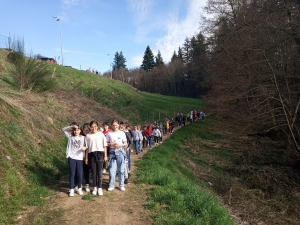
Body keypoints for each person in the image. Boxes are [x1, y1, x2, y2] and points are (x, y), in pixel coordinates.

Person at [62, 122, 87, 197]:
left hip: (79, 158)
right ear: (73, 130)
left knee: (79, 174)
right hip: (72, 158)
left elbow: (87, 145)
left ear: (80, 130)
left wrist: (84, 148)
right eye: (75, 130)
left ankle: (79, 188)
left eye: (78, 130)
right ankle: (71, 189)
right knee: (72, 174)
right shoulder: (70, 137)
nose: (76, 131)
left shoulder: (83, 138)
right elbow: (63, 130)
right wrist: (72, 126)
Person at [85, 121, 108, 196]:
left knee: (99, 172)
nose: (93, 128)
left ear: (97, 126)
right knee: (94, 172)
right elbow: (87, 148)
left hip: (100, 154)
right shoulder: (88, 136)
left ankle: (100, 188)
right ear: (90, 127)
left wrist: (105, 156)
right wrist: (86, 158)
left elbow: (104, 146)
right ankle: (95, 187)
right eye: (92, 127)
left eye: (95, 126)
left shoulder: (101, 134)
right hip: (91, 154)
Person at [106, 119, 128, 191]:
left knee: (121, 170)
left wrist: (120, 145)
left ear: (118, 125)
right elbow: (106, 143)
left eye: (116, 125)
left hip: (120, 152)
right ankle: (111, 185)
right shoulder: (109, 133)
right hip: (112, 153)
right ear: (111, 125)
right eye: (113, 125)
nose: (115, 126)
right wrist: (111, 144)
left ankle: (121, 185)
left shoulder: (122, 133)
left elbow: (125, 143)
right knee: (112, 170)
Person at [82, 123, 91, 192]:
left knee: (89, 171)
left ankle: (87, 183)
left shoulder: (91, 137)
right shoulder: (80, 137)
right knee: (84, 171)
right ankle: (80, 184)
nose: (86, 131)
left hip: (90, 156)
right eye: (84, 130)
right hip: (81, 157)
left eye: (87, 130)